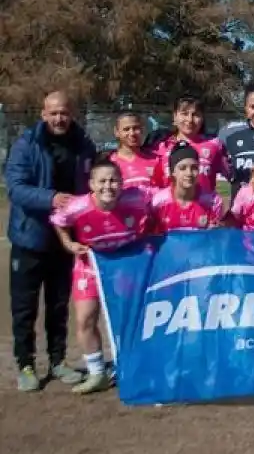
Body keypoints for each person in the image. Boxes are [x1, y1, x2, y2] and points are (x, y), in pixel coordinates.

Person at [5, 91, 95, 391]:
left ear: (72, 114)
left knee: (58, 306)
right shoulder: (26, 144)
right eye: (53, 113)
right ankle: (26, 364)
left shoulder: (84, 144)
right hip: (30, 238)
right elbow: (16, 188)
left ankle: (58, 361)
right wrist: (52, 198)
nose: (59, 118)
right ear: (43, 114)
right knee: (24, 307)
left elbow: (92, 184)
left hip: (66, 241)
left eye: (64, 113)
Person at [50, 160, 150, 394]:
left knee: (131, 318)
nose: (108, 186)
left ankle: (133, 366)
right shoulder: (77, 207)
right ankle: (97, 374)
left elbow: (158, 208)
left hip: (125, 267)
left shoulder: (137, 199)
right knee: (85, 319)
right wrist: (68, 243)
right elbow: (58, 221)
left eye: (113, 180)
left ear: (122, 183)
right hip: (90, 267)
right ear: (91, 184)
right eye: (102, 181)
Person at [146, 95, 229, 193]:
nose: (190, 120)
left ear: (202, 118)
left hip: (204, 203)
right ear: (175, 117)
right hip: (168, 202)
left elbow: (233, 177)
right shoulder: (160, 147)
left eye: (195, 115)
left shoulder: (215, 145)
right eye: (184, 114)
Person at [149, 141, 225, 232]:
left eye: (194, 168)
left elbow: (215, 237)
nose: (189, 173)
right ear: (172, 172)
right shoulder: (158, 202)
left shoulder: (213, 201)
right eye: (182, 168)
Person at [108, 112, 163, 194]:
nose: (132, 133)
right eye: (126, 129)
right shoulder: (109, 162)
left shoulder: (156, 160)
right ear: (116, 132)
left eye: (136, 128)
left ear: (142, 130)